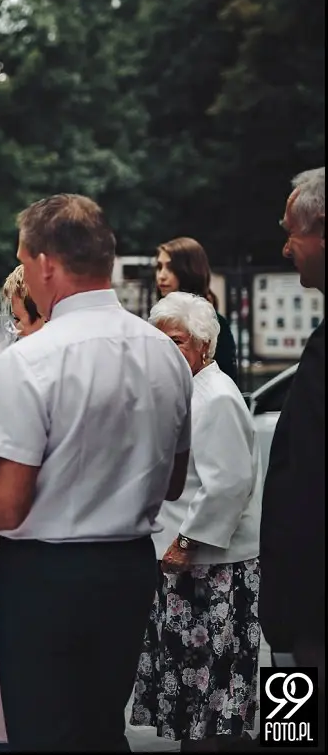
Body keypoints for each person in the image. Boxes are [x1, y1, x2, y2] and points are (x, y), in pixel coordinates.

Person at [0, 194, 193, 750]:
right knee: (101, 727)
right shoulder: (164, 352)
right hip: (130, 567)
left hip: (46, 575)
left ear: (43, 264)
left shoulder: (30, 362)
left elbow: (5, 503)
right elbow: (175, 481)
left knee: (42, 732)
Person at [131, 291, 261, 750]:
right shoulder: (188, 390)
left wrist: (184, 543)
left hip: (212, 567)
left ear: (203, 345)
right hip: (189, 562)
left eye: (178, 342)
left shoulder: (217, 396)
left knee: (216, 689)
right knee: (197, 691)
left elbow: (228, 483)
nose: (167, 352)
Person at [259, 167, 325, 727]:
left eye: (292, 231)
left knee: (297, 727)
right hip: (297, 600)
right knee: (292, 725)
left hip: (310, 598)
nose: (285, 246)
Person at [0, 264, 47, 746]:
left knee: (32, 675)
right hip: (17, 542)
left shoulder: (29, 369)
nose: (15, 330)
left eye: (21, 319)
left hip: (31, 541)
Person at [154, 237, 239, 385]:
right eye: (159, 267)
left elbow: (224, 380)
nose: (162, 276)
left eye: (170, 268)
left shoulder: (216, 324)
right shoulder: (158, 320)